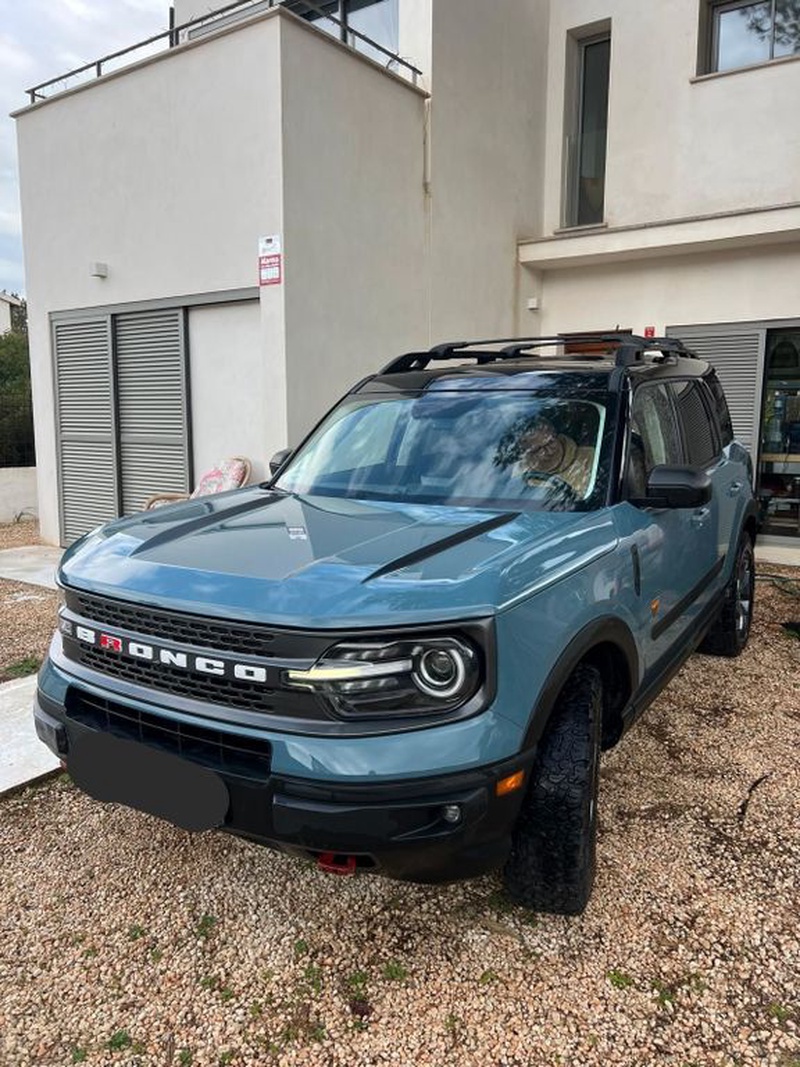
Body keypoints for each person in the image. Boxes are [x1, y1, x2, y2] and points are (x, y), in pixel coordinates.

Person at [517, 417, 595, 497]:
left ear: (556, 435)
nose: (550, 452)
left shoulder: (589, 457)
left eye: (551, 442)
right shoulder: (519, 472)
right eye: (539, 449)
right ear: (528, 452)